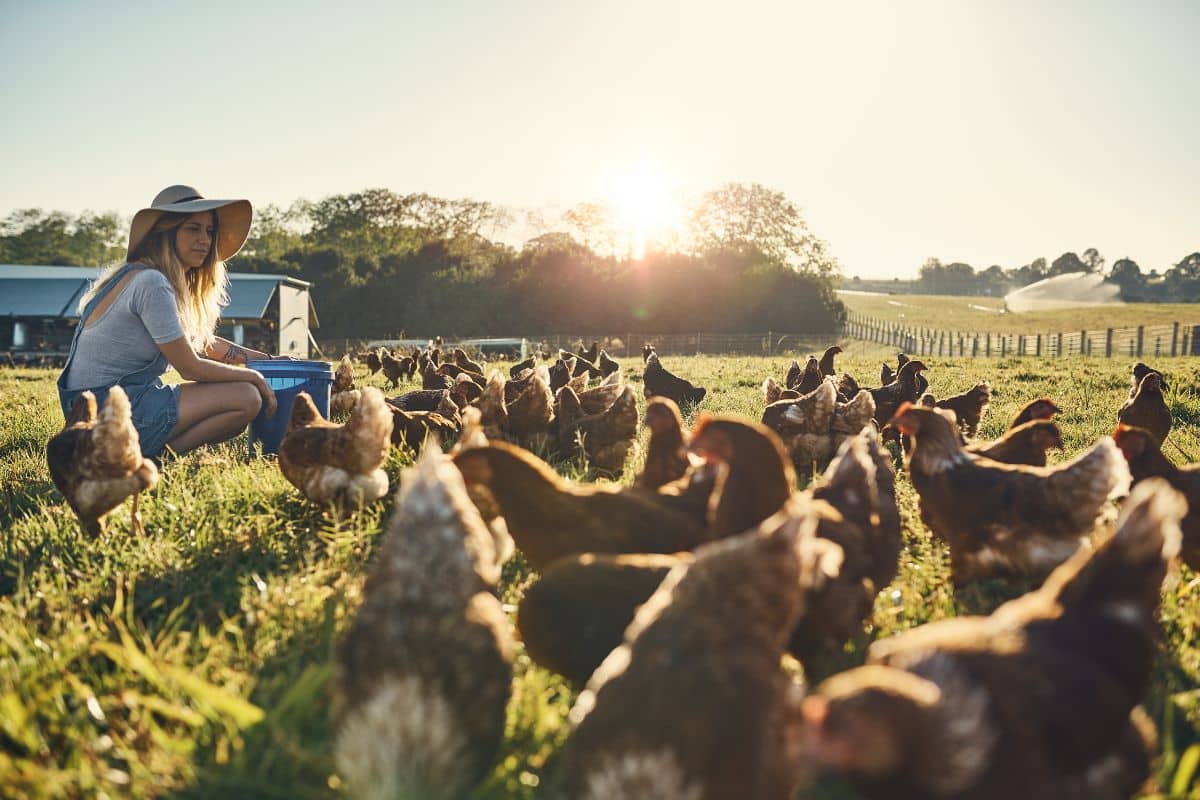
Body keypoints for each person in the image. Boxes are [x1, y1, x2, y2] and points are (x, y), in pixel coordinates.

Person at [57, 185, 285, 458]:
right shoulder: (151, 283)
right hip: (106, 413)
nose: (205, 239)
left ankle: (152, 457)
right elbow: (189, 367)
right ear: (165, 232)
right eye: (193, 228)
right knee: (246, 397)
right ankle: (153, 462)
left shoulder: (139, 275)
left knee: (243, 395)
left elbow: (201, 344)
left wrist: (267, 360)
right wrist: (256, 377)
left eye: (209, 231)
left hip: (92, 412)